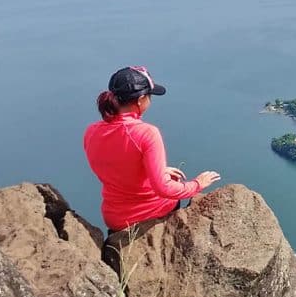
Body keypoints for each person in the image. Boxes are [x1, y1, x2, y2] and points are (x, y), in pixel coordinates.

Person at [83, 66, 220, 233]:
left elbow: (116, 166)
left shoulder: (91, 131)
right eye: (150, 96)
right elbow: (164, 188)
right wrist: (197, 184)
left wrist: (154, 170)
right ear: (140, 100)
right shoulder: (147, 133)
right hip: (147, 214)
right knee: (175, 193)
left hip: (114, 219)